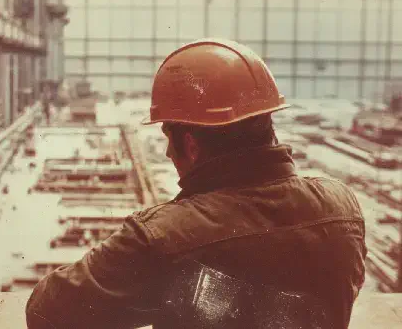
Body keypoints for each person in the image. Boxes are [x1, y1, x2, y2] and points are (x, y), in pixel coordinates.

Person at [25, 38, 367, 328]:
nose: (167, 152)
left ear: (191, 145)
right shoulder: (343, 209)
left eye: (167, 138)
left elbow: (45, 311)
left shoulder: (162, 238)